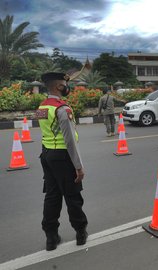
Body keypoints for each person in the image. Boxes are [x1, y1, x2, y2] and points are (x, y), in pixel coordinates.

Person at [36, 72, 87, 251]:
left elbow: (46, 133)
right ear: (59, 86)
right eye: (65, 84)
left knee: (52, 196)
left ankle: (51, 237)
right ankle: (80, 232)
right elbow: (70, 141)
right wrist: (78, 167)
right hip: (63, 157)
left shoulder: (42, 106)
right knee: (72, 196)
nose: (67, 87)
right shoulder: (62, 109)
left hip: (47, 154)